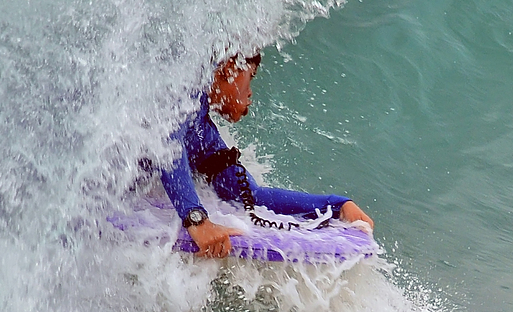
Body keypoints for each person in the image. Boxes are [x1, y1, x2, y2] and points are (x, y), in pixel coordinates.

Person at [160, 51, 374, 258]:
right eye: (250, 77)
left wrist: (336, 206)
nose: (250, 93)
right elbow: (166, 141)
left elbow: (249, 196)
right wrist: (196, 220)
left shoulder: (201, 132)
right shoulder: (180, 93)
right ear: (230, 69)